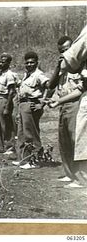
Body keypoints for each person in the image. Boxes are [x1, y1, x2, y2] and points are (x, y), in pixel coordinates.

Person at [50, 26, 87, 188]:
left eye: (66, 49)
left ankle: (79, 176)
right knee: (64, 140)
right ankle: (69, 173)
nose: (63, 53)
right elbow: (51, 85)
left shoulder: (78, 66)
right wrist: (58, 67)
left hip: (74, 103)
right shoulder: (63, 67)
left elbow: (80, 89)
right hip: (63, 105)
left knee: (75, 140)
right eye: (61, 51)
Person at [15, 51, 50, 169]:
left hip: (32, 105)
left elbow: (50, 87)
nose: (29, 64)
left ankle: (34, 159)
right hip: (23, 104)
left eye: (32, 62)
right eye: (27, 62)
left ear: (36, 63)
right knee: (21, 133)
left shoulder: (39, 75)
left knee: (31, 133)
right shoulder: (27, 74)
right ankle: (23, 159)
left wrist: (43, 103)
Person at [0, 53, 17, 154]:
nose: (1, 63)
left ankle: (10, 147)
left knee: (6, 124)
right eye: (0, 61)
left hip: (5, 99)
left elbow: (11, 91)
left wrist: (7, 106)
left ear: (9, 63)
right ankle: (1, 146)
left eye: (4, 61)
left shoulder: (9, 75)